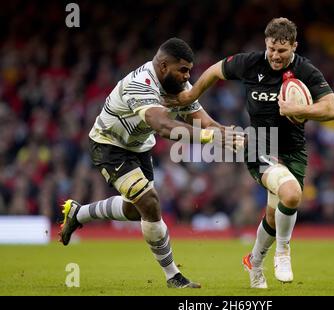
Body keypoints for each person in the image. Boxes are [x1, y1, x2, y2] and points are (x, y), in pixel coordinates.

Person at [58, 38, 241, 289]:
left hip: (139, 147)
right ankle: (173, 275)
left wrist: (228, 134)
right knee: (150, 201)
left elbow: (203, 120)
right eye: (183, 70)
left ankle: (79, 214)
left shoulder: (178, 84)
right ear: (164, 66)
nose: (188, 76)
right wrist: (210, 137)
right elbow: (163, 126)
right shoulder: (140, 85)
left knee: (137, 210)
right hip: (110, 145)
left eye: (189, 70)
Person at [171, 18, 334, 288]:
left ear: (294, 47)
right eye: (271, 48)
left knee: (275, 216)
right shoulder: (250, 62)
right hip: (260, 143)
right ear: (266, 43)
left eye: (282, 50)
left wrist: (299, 111)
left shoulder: (305, 70)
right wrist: (191, 97)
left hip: (293, 150)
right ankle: (283, 253)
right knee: (292, 194)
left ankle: (254, 262)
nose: (275, 55)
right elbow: (214, 71)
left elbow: (332, 110)